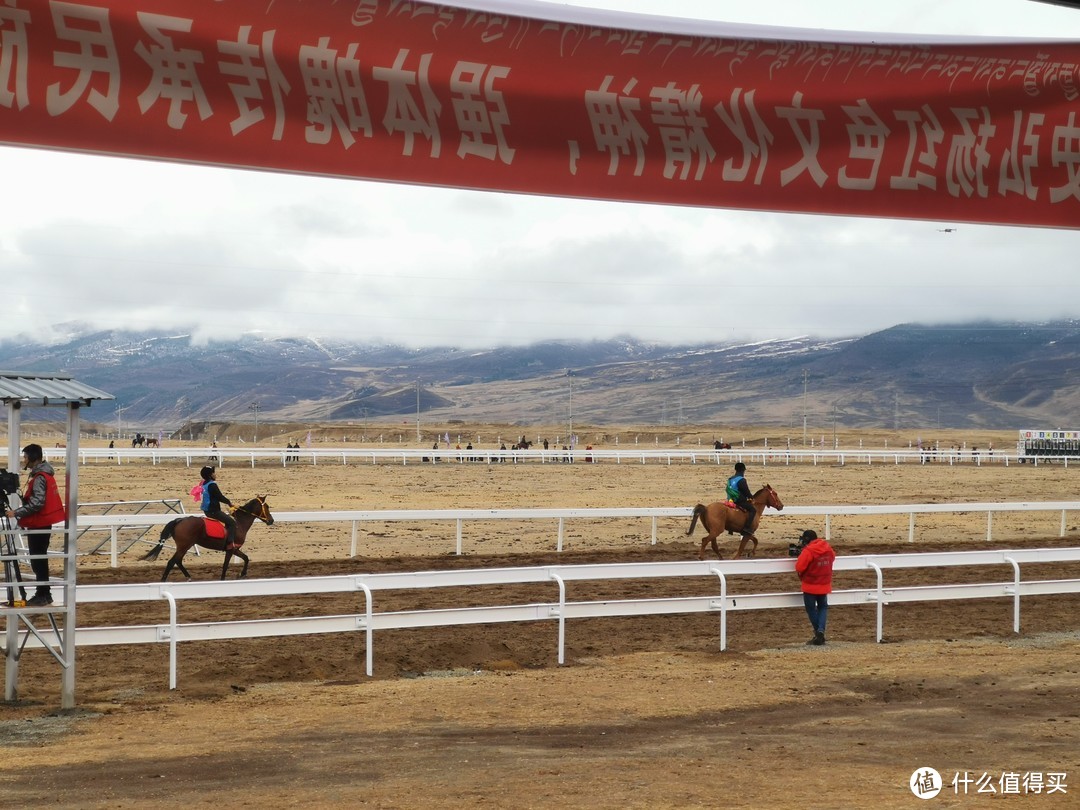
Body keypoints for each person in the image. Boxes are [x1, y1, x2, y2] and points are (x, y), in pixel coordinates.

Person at [5, 444, 66, 607]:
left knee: (38, 560)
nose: (24, 460)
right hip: (43, 523)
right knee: (39, 559)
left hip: (39, 523)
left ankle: (43, 593)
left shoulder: (39, 477)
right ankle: (44, 594)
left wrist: (17, 512)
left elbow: (37, 503)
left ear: (32, 457)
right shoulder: (45, 474)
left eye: (25, 457)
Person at [795, 529, 836, 646]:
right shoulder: (827, 547)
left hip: (810, 585)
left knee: (811, 609)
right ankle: (820, 631)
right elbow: (832, 557)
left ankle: (818, 632)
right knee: (823, 607)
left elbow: (799, 567)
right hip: (824, 583)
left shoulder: (808, 551)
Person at [198, 465, 238, 551]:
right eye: (213, 473)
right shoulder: (212, 485)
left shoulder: (203, 483)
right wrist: (229, 502)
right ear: (210, 475)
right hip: (213, 511)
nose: (215, 475)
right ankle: (229, 544)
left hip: (206, 510)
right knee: (232, 523)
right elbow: (219, 497)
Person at [725, 461, 756, 537]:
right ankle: (747, 528)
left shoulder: (730, 479)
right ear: (743, 470)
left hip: (730, 500)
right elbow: (746, 491)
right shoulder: (741, 480)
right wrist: (752, 498)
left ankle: (730, 529)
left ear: (736, 470)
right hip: (739, 501)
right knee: (753, 510)